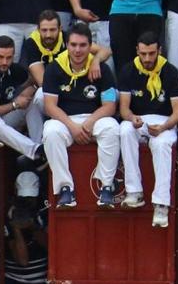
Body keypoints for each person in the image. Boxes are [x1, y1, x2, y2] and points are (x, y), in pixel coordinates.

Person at [41, 23, 121, 211]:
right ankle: (65, 189)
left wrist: (88, 123)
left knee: (112, 127)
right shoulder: (54, 68)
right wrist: (73, 127)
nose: (77, 50)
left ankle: (107, 186)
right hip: (65, 120)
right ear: (67, 45)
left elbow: (110, 106)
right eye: (73, 45)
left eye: (83, 45)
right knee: (50, 131)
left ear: (90, 46)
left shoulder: (102, 69)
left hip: (94, 119)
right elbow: (50, 106)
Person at [117, 32, 178, 226]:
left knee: (161, 144)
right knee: (125, 129)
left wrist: (164, 126)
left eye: (152, 53)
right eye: (143, 53)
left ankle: (161, 205)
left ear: (159, 51)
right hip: (140, 120)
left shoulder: (170, 72)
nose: (147, 58)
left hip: (165, 120)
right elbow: (124, 108)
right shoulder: (128, 70)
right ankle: (134, 191)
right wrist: (132, 118)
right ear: (137, 50)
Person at [3, 171, 50, 284]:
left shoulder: (44, 213)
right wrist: (16, 229)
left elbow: (53, 248)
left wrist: (35, 227)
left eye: (31, 198)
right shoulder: (9, 214)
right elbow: (22, 260)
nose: (28, 203)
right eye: (24, 199)